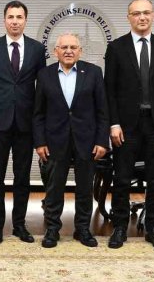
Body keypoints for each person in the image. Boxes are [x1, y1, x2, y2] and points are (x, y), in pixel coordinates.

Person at [104, 0, 154, 250]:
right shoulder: (116, 48)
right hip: (126, 126)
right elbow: (109, 90)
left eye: (146, 12)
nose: (142, 17)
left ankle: (153, 227)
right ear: (129, 18)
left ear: (153, 15)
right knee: (122, 178)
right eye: (136, 13)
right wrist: (113, 124)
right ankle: (119, 227)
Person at [33, 33, 109, 248]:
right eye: (64, 47)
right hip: (54, 140)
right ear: (55, 51)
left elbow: (102, 111)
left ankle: (83, 229)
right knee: (54, 188)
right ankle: (52, 229)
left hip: (87, 141)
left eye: (73, 47)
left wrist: (102, 141)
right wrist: (40, 142)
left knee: (85, 188)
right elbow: (38, 114)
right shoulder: (44, 75)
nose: (68, 51)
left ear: (80, 51)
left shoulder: (94, 72)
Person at [0, 0, 45, 244]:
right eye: (11, 17)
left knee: (22, 178)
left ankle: (19, 225)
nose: (15, 21)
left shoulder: (37, 49)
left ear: (25, 21)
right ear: (4, 20)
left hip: (25, 124)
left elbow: (42, 88)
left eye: (19, 17)